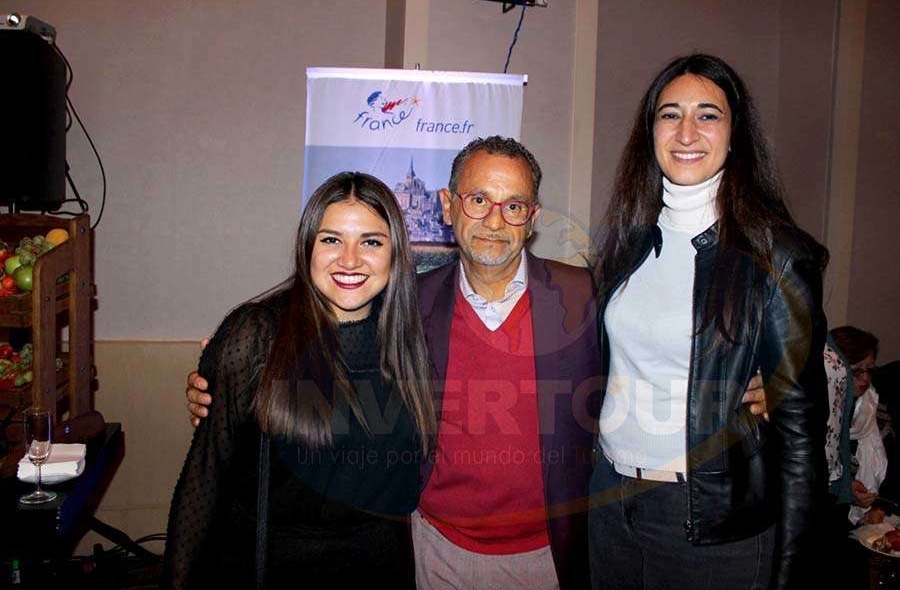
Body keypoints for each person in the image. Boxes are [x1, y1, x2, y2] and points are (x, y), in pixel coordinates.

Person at [184, 136, 768, 589]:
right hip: (430, 549)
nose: (494, 220)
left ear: (534, 215)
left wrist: (759, 376)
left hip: (549, 554)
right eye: (479, 200)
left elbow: (662, 340)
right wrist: (231, 378)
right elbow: (322, 335)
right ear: (448, 206)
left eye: (513, 205)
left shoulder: (586, 295)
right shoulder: (406, 302)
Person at [589, 54, 828, 590]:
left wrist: (794, 568)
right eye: (670, 114)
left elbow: (800, 436)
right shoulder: (626, 243)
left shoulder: (776, 254)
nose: (687, 131)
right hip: (610, 501)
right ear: (650, 131)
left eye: (708, 115)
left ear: (734, 132)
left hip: (709, 520)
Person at [162, 172, 435, 589]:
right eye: (331, 240)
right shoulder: (256, 334)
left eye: (371, 241)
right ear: (307, 246)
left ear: (395, 254)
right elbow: (204, 478)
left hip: (380, 567)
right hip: (269, 568)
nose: (349, 259)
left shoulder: (411, 340)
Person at [830, 326, 888, 525]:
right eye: (856, 371)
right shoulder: (825, 408)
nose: (864, 379)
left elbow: (885, 467)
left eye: (869, 370)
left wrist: (878, 507)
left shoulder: (868, 407)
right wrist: (844, 487)